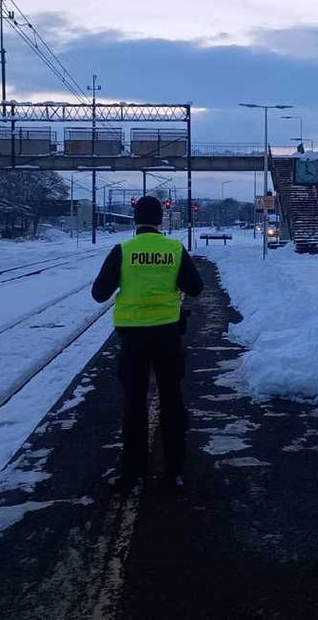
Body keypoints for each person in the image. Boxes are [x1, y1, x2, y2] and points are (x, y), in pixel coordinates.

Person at [91, 195, 204, 492]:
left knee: (134, 402)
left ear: (135, 220)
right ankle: (174, 468)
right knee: (171, 399)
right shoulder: (174, 249)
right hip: (167, 334)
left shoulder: (123, 251)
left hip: (132, 337)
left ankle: (133, 471)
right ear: (160, 220)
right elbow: (196, 287)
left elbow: (99, 293)